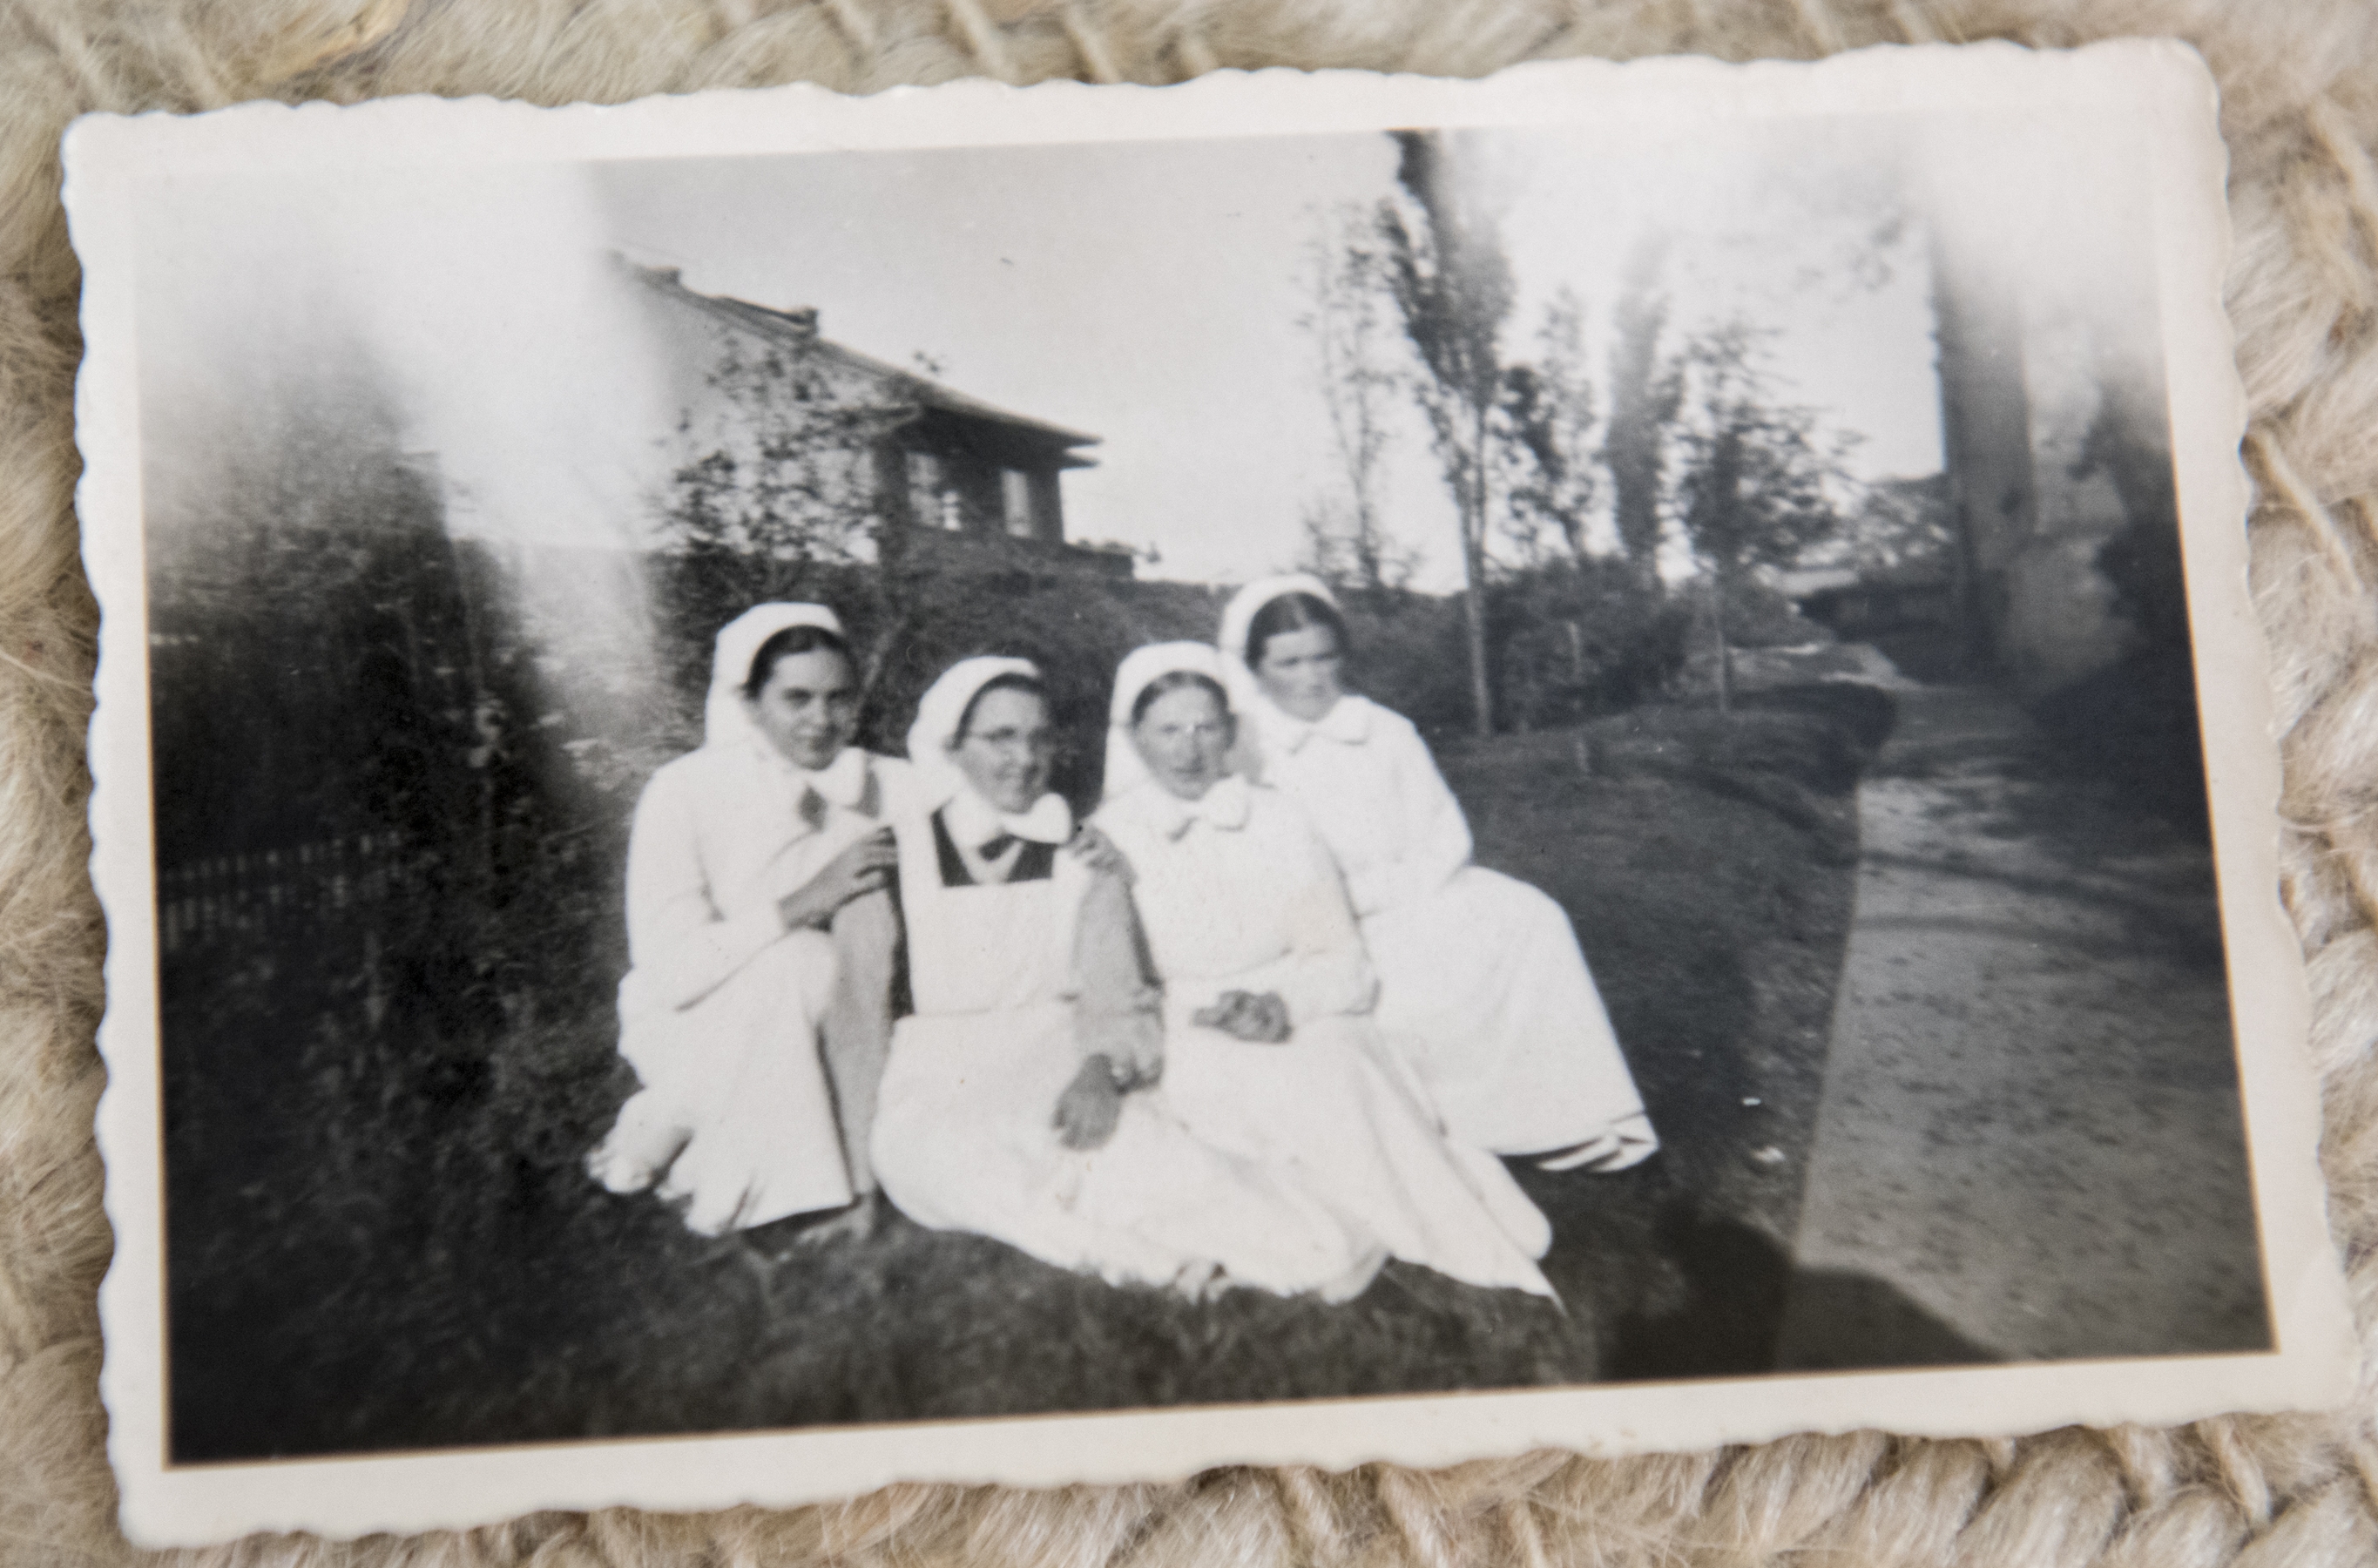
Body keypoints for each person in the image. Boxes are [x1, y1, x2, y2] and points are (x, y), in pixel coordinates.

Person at [869, 656, 1381, 1300]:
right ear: (952, 746)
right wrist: (858, 1175)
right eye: (1000, 737)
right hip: (937, 1080)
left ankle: (1313, 1241)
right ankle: (1150, 1264)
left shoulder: (1083, 851)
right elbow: (857, 1014)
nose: (1023, 759)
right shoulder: (895, 855)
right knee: (958, 1168)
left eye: (1038, 738)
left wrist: (1101, 1070)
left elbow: (1113, 988)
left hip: (1055, 1053)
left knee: (1133, 1159)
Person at [1095, 643, 1557, 1300]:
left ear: (1231, 731)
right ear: (1136, 739)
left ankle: (1428, 1221)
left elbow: (1339, 958)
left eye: (1205, 727)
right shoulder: (1110, 839)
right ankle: (1364, 1231)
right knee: (1260, 1107)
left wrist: (1283, 1006)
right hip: (1193, 1027)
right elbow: (1110, 978)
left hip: (1297, 999)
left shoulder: (1279, 818)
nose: (1189, 749)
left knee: (1337, 1074)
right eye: (1169, 730)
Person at [1218, 575, 1659, 1173]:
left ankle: (1569, 1115)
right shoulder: (1246, 750)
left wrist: (1405, 889)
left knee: (1532, 917)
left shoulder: (1385, 731)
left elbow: (1446, 833)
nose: (1312, 677)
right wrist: (1345, 904)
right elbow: (1249, 861)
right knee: (1389, 974)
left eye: (1324, 657)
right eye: (1290, 663)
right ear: (1256, 669)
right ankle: (1451, 1123)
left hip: (1417, 891)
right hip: (1323, 917)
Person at [584, 603, 908, 1242]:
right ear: (750, 704)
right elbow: (670, 971)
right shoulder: (683, 790)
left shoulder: (886, 782)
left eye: (839, 698)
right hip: (692, 1016)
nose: (821, 720)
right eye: (797, 698)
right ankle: (759, 1190)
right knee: (799, 961)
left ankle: (675, 1126)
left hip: (831, 1014)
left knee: (814, 966)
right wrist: (801, 903)